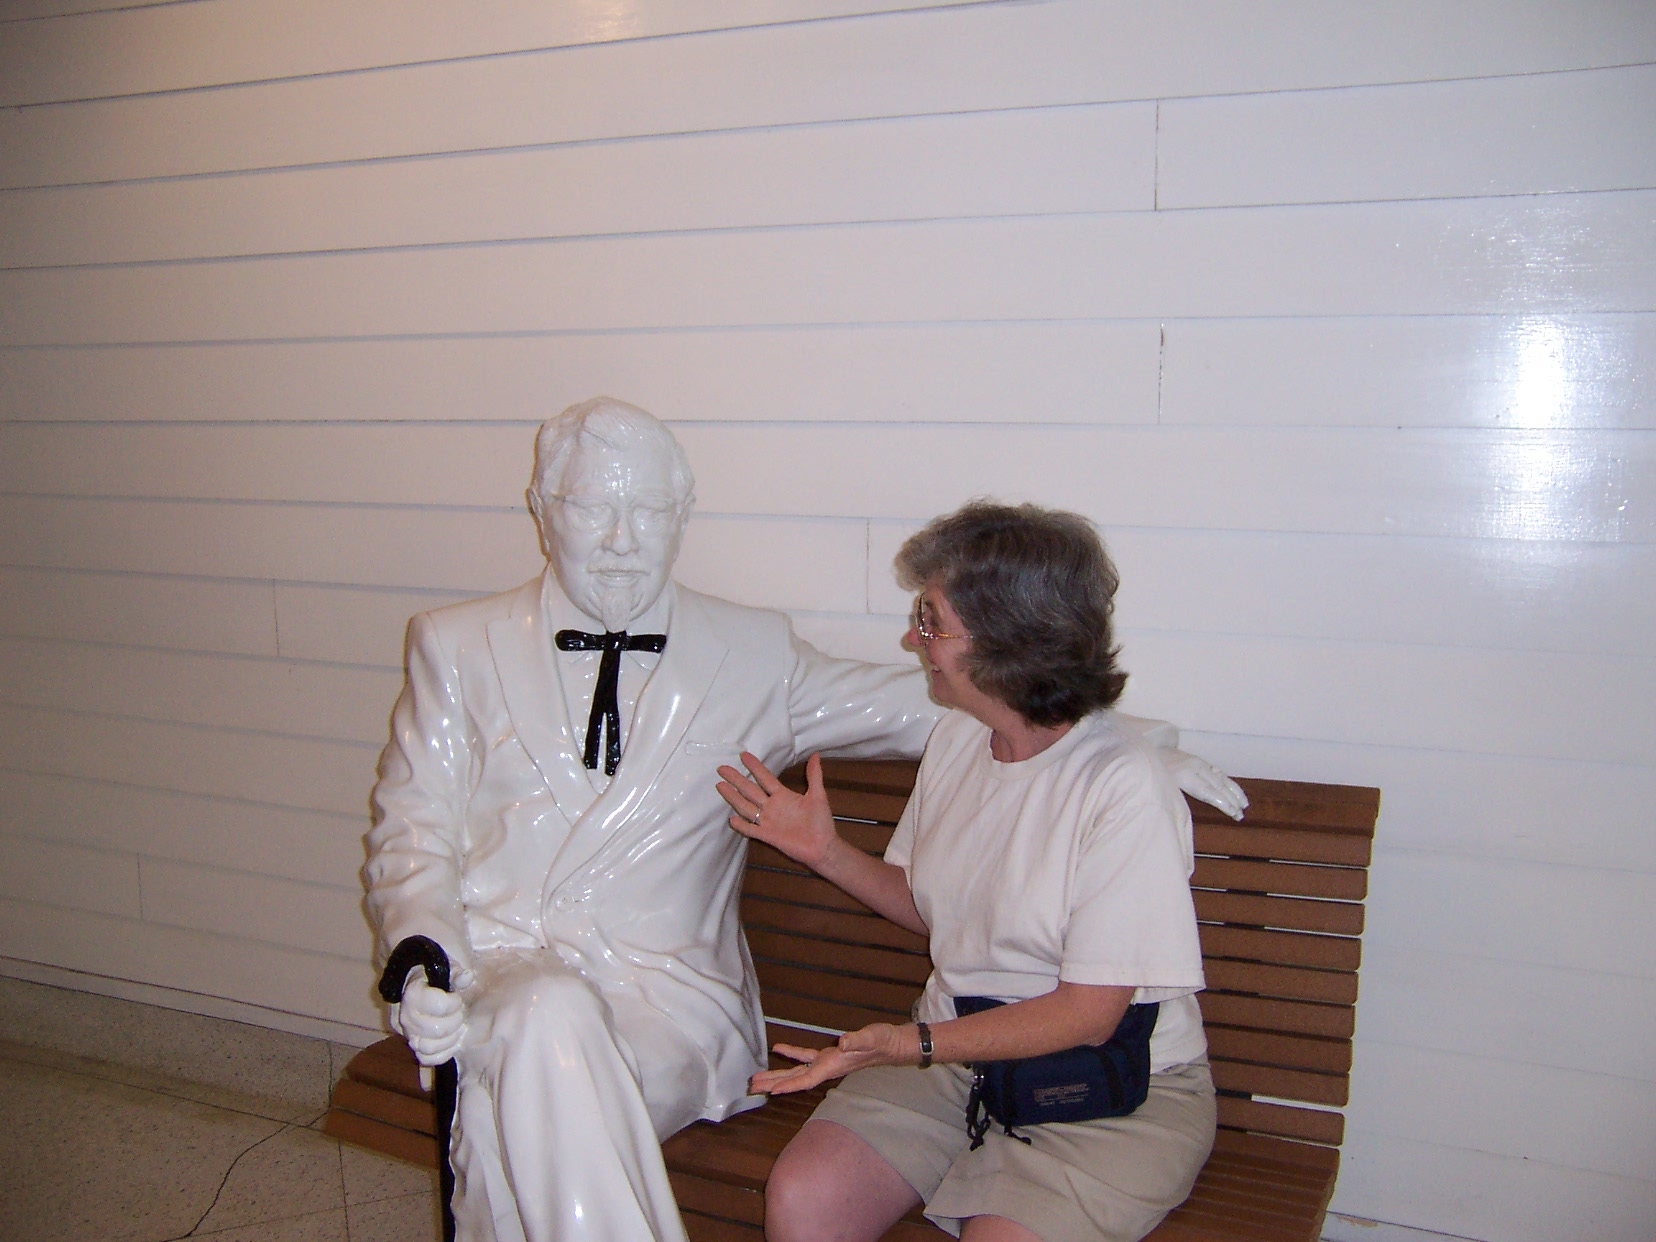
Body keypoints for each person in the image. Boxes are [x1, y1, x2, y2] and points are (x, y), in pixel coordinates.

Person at [364, 398, 940, 1242]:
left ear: (684, 513)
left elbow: (935, 707)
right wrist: (428, 968)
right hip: (496, 981)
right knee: (541, 1021)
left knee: (511, 1094)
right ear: (541, 509)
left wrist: (1099, 725)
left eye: (648, 510)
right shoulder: (457, 648)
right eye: (592, 507)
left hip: (667, 1007)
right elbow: (412, 833)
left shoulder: (750, 655)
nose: (621, 540)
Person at [716, 501, 1218, 1242]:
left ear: (1008, 642)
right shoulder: (959, 739)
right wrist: (824, 850)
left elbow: (1089, 1013)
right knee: (804, 1200)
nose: (912, 639)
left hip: (1111, 1086)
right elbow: (935, 909)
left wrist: (908, 1044)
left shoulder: (1122, 786)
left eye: (931, 622)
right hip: (957, 1058)